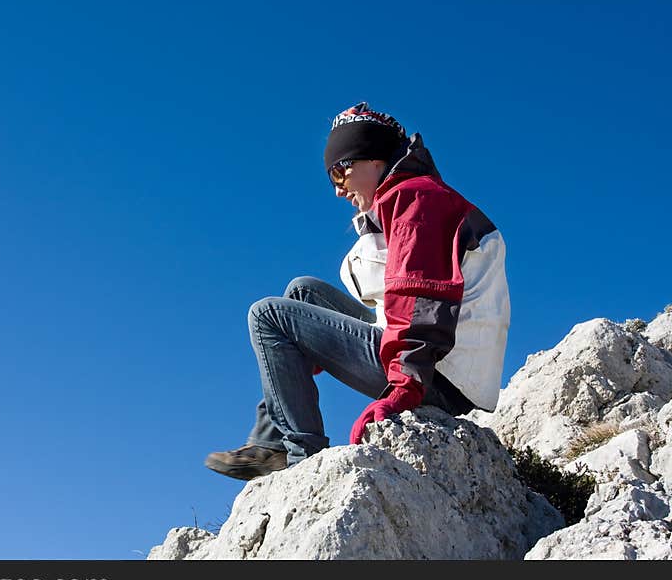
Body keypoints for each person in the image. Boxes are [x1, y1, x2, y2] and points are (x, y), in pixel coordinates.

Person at [204, 101, 511, 481]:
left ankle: (301, 456)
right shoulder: (412, 199)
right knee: (301, 293)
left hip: (436, 379)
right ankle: (271, 443)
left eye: (339, 172)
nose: (338, 190)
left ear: (373, 159)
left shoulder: (417, 200)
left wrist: (403, 390)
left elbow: (421, 297)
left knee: (267, 316)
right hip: (433, 366)